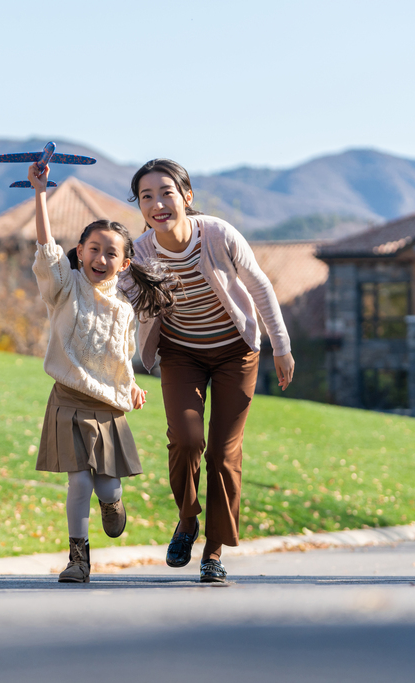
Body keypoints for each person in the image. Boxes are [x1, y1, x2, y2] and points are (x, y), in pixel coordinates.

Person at [124, 158, 295, 584]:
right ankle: (187, 519)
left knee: (222, 452)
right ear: (140, 207)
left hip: (236, 354)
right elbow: (122, 309)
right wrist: (119, 367)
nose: (158, 204)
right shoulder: (140, 252)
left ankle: (214, 552)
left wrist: (282, 346)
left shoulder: (217, 234)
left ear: (187, 197)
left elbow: (259, 285)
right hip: (181, 353)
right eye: (147, 197)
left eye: (166, 193)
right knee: (185, 439)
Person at [27, 163, 177, 583]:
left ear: (125, 263)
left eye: (111, 252)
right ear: (80, 250)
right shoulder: (64, 287)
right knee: (78, 484)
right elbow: (45, 247)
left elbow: (122, 357)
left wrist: (131, 388)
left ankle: (113, 502)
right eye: (93, 248)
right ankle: (78, 559)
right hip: (68, 400)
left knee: (107, 488)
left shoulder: (125, 308)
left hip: (109, 407)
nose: (100, 258)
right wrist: (39, 193)